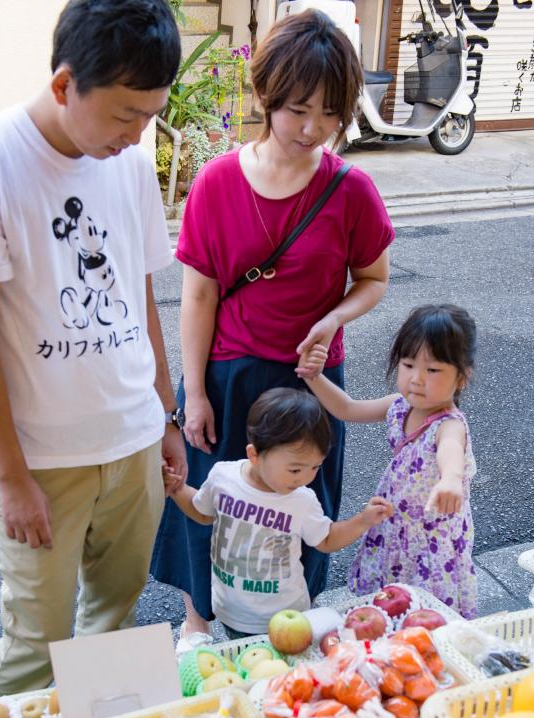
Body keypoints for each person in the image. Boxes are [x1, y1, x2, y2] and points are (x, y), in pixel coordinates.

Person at [0, 0, 186, 709]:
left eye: (151, 115)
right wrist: (12, 478)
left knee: (113, 624)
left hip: (133, 439)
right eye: (123, 114)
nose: (139, 135)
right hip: (42, 459)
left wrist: (165, 418)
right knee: (34, 645)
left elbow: (138, 301)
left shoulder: (129, 165)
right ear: (63, 85)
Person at [151, 9, 395, 644]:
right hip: (229, 374)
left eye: (331, 113)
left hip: (311, 384)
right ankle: (198, 623)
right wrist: (194, 394)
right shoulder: (216, 183)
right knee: (209, 504)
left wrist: (334, 318)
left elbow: (372, 279)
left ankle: (286, 626)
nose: (313, 128)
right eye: (298, 109)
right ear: (266, 95)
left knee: (298, 503)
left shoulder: (352, 191)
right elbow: (198, 296)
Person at [164, 388, 392, 637]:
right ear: (254, 455)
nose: (305, 477)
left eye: (315, 466)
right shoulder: (223, 477)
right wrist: (177, 489)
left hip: (287, 615)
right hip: (231, 611)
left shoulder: (302, 499)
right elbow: (202, 512)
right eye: (295, 470)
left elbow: (326, 539)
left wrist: (363, 520)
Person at [297, 304, 478, 618]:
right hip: (396, 525)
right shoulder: (399, 405)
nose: (417, 379)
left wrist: (450, 479)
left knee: (424, 613)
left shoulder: (449, 424)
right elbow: (347, 408)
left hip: (430, 541)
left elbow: (451, 452)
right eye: (408, 365)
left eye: (433, 370)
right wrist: (314, 377)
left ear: (462, 378)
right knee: (389, 606)